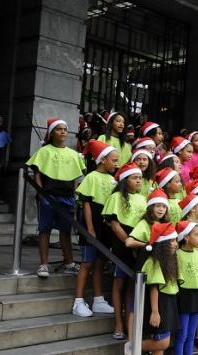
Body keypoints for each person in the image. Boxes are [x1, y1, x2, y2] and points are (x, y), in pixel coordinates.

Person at [26, 118, 86, 278]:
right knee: (44, 230)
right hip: (48, 196)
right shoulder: (44, 151)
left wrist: (75, 194)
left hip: (67, 197)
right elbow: (37, 172)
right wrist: (40, 192)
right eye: (59, 129)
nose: (63, 132)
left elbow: (75, 177)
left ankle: (69, 263)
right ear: (51, 133)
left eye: (65, 129)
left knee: (65, 231)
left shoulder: (74, 154)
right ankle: (43, 265)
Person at [129, 222, 180, 355]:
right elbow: (154, 288)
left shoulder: (169, 261)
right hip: (159, 304)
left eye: (175, 240)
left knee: (163, 339)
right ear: (163, 243)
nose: (175, 244)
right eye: (171, 241)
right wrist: (155, 311)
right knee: (163, 342)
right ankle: (134, 346)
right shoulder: (154, 261)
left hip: (169, 301)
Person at [72, 140, 118, 317]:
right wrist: (90, 228)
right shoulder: (91, 177)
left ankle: (98, 300)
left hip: (105, 226)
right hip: (92, 225)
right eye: (113, 160)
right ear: (102, 160)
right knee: (87, 263)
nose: (116, 164)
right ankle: (78, 301)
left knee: (99, 263)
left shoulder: (113, 180)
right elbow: (87, 204)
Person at [102, 163, 147, 340]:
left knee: (131, 286)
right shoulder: (117, 197)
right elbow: (114, 224)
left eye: (140, 178)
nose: (138, 181)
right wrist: (128, 241)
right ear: (125, 179)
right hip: (123, 243)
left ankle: (129, 324)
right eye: (134, 177)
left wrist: (137, 243)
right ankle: (118, 324)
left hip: (138, 243)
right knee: (118, 284)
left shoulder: (143, 199)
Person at [171, 221, 198, 355]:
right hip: (183, 296)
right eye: (197, 235)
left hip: (195, 298)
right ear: (185, 238)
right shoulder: (177, 254)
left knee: (191, 335)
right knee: (182, 334)